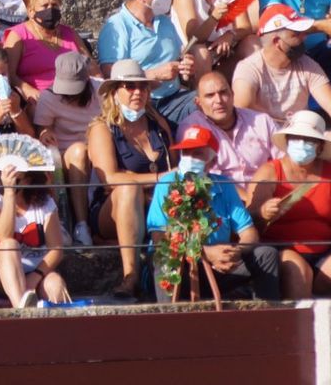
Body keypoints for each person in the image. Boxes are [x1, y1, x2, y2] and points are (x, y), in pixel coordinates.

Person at [143, 124, 282, 301]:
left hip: (220, 264)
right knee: (163, 258)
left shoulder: (224, 185)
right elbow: (159, 237)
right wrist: (205, 253)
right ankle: (168, 319)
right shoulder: (167, 183)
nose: (190, 158)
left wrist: (234, 252)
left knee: (266, 254)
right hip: (182, 268)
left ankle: (267, 320)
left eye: (198, 153)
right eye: (186, 153)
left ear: (212, 161)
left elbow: (249, 232)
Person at [248, 110, 331, 299]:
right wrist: (264, 212)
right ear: (287, 141)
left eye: (309, 140)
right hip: (283, 250)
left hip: (325, 250)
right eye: (296, 138)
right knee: (298, 272)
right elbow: (250, 215)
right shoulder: (270, 171)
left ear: (319, 147)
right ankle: (301, 327)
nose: (302, 144)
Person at [231, 5, 331, 166]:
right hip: (263, 140)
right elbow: (242, 107)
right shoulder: (249, 68)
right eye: (296, 34)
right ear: (277, 42)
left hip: (302, 137)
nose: (304, 38)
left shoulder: (307, 65)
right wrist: (283, 129)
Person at [86, 59, 172, 299]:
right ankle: (130, 273)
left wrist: (144, 179)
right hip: (111, 208)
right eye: (129, 86)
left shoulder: (157, 123)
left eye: (142, 87)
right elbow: (110, 178)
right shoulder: (102, 128)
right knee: (127, 188)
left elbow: (174, 166)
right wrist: (156, 178)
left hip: (153, 202)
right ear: (115, 92)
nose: (138, 92)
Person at [97, 0, 196, 127]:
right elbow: (111, 74)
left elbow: (179, 54)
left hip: (175, 97)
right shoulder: (116, 27)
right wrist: (154, 75)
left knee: (209, 102)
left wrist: (186, 67)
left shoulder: (164, 21)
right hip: (142, 104)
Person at [0, 159, 70, 308]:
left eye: (15, 177)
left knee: (55, 284)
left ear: (28, 180)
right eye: (2, 174)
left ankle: (55, 326)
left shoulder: (44, 202)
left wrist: (36, 275)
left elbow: (56, 249)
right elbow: (3, 235)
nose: (6, 179)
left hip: (34, 271)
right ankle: (21, 309)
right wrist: (9, 192)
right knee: (9, 245)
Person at [32, 52, 100, 246]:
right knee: (79, 151)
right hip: (67, 152)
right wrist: (45, 133)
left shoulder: (101, 91)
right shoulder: (49, 97)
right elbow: (43, 128)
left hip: (98, 147)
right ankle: (81, 224)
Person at [178, 70, 277, 201]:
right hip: (221, 202)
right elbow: (203, 175)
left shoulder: (262, 121)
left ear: (232, 95)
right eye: (210, 95)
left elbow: (282, 163)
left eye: (223, 92)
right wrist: (248, 200)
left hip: (267, 197)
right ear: (198, 103)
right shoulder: (191, 128)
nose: (218, 100)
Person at [3, 0, 87, 102]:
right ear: (31, 11)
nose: (50, 10)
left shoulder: (70, 33)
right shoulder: (18, 35)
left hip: (75, 96)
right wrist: (27, 90)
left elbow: (92, 68)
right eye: (45, 6)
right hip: (38, 100)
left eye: (54, 5)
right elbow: (8, 74)